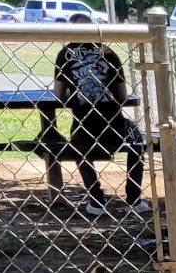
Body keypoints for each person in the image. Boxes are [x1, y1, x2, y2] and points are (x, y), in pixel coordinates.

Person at [47, 14, 146, 211]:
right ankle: (134, 199)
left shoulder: (65, 54)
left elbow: (58, 95)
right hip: (114, 126)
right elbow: (123, 95)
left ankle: (97, 200)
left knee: (76, 146)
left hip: (85, 128)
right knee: (137, 139)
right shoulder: (108, 53)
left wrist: (73, 92)